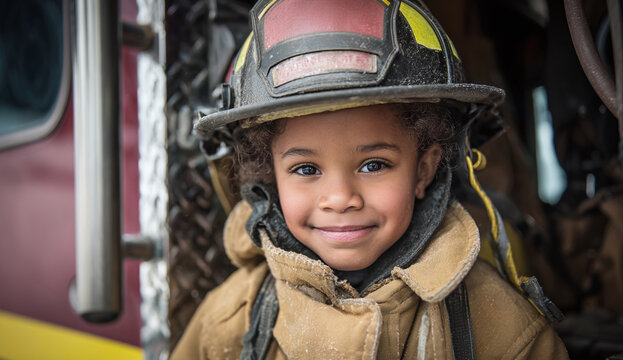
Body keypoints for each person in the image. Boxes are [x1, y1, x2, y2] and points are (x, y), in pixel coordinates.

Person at [171, 0, 569, 358]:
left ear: (424, 169)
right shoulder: (229, 320)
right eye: (306, 170)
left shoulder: (500, 330)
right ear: (270, 176)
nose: (341, 198)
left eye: (374, 165)